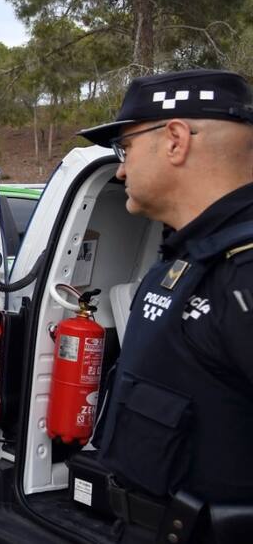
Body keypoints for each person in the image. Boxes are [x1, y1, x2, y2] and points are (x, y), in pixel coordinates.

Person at [78, 70, 253, 543]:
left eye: (126, 148)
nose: (120, 170)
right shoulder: (184, 258)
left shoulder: (243, 270)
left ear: (175, 140)